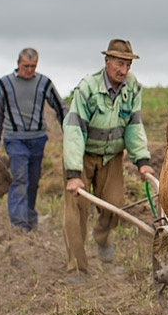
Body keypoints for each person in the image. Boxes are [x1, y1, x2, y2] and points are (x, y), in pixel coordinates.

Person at [62, 39, 155, 277]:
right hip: (82, 155)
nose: (123, 71)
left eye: (128, 65)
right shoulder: (88, 88)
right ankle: (77, 268)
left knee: (114, 205)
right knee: (76, 213)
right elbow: (74, 130)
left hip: (111, 156)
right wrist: (73, 173)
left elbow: (134, 125)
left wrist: (142, 161)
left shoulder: (133, 88)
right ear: (107, 62)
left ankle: (102, 238)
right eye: (119, 64)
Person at [0, 48, 68, 233]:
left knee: (33, 181)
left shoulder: (44, 82)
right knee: (20, 179)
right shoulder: (5, 83)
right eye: (26, 66)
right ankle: (19, 225)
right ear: (18, 64)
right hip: (14, 140)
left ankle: (31, 218)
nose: (29, 70)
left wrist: (70, 132)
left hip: (37, 139)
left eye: (33, 66)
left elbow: (60, 107)